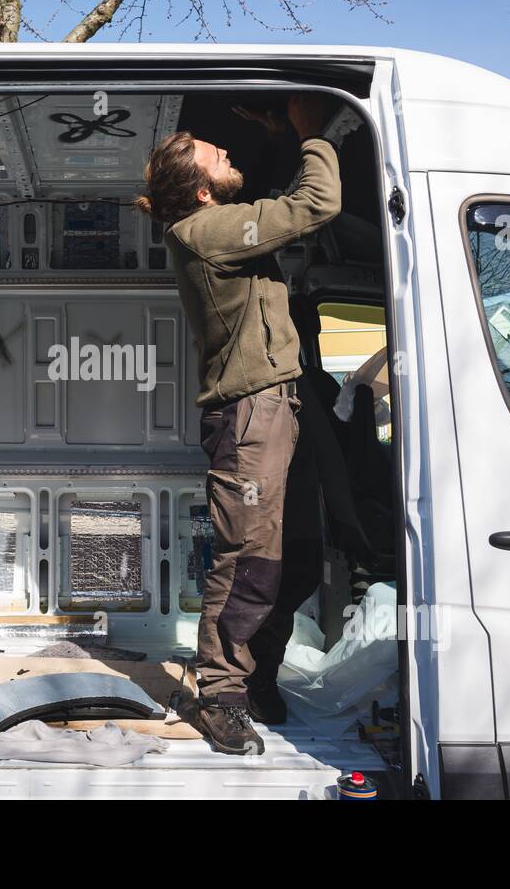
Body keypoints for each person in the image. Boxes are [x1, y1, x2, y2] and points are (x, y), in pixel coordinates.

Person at [134, 94, 340, 755]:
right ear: (199, 191)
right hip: (252, 411)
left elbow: (278, 201)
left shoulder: (216, 222)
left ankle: (257, 677)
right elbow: (314, 204)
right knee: (248, 555)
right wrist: (310, 132)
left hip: (276, 404)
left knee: (298, 552)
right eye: (213, 154)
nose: (225, 151)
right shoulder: (205, 231)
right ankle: (220, 693)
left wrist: (280, 132)